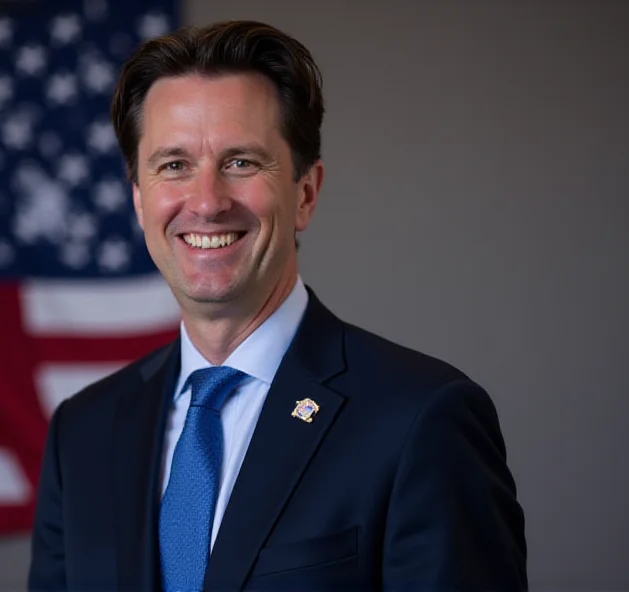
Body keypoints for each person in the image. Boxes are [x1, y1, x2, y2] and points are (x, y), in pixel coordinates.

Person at [28, 20, 527, 591]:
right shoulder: (82, 434)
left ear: (305, 194)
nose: (207, 202)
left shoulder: (420, 419)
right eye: (174, 165)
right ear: (140, 200)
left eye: (241, 162)